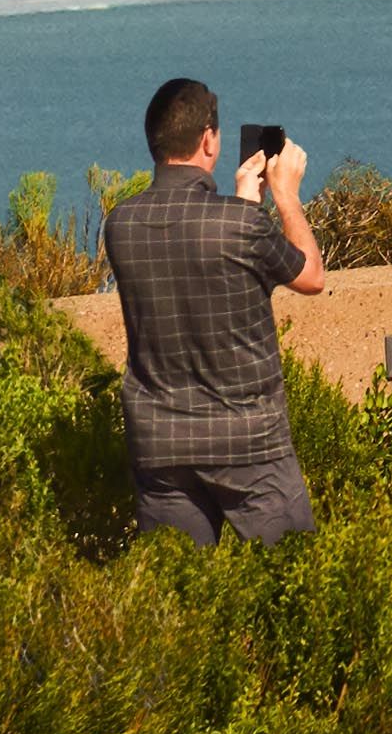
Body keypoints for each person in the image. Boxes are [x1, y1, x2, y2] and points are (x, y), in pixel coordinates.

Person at [98, 71, 332, 548]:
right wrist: (284, 194)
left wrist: (245, 203)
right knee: (289, 582)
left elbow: (201, 265)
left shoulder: (120, 225)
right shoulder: (237, 225)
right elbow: (310, 276)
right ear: (209, 140)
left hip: (160, 445)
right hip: (248, 443)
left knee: (178, 591)